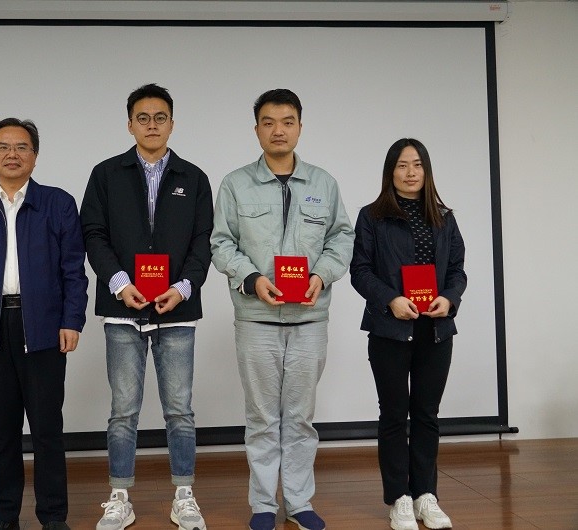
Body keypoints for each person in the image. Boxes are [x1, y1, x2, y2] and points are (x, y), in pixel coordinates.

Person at [210, 88, 354, 530]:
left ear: (299, 128)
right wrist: (253, 278)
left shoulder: (323, 183)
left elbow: (342, 237)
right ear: (257, 129)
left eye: (287, 122)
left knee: (300, 417)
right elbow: (221, 243)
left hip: (309, 319)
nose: (278, 130)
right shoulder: (236, 184)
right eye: (269, 122)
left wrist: (321, 275)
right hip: (256, 319)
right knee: (261, 417)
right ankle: (263, 506)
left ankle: (298, 502)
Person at [80, 83, 213, 530]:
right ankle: (119, 497)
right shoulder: (106, 174)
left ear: (172, 124)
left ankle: (184, 495)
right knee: (123, 411)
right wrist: (119, 284)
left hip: (176, 310)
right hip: (123, 309)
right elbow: (93, 234)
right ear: (129, 124)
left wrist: (183, 287)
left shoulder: (194, 178)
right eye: (143, 118)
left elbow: (203, 242)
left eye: (160, 118)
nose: (151, 125)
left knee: (180, 410)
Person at [0, 118, 88, 530]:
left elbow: (74, 270)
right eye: (3, 147)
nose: (12, 154)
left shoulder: (57, 203)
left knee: (47, 429)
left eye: (22, 147)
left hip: (43, 327)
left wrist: (72, 319)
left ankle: (53, 517)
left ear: (35, 155)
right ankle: (5, 515)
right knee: (3, 431)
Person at [350, 138, 467, 530]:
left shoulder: (444, 217)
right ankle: (399, 498)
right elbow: (360, 271)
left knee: (427, 415)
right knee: (394, 414)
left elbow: (457, 270)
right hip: (391, 329)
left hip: (435, 329)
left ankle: (425, 496)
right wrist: (391, 300)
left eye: (417, 164)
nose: (411, 172)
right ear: (391, 171)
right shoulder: (372, 216)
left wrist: (450, 299)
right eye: (402, 165)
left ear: (426, 170)